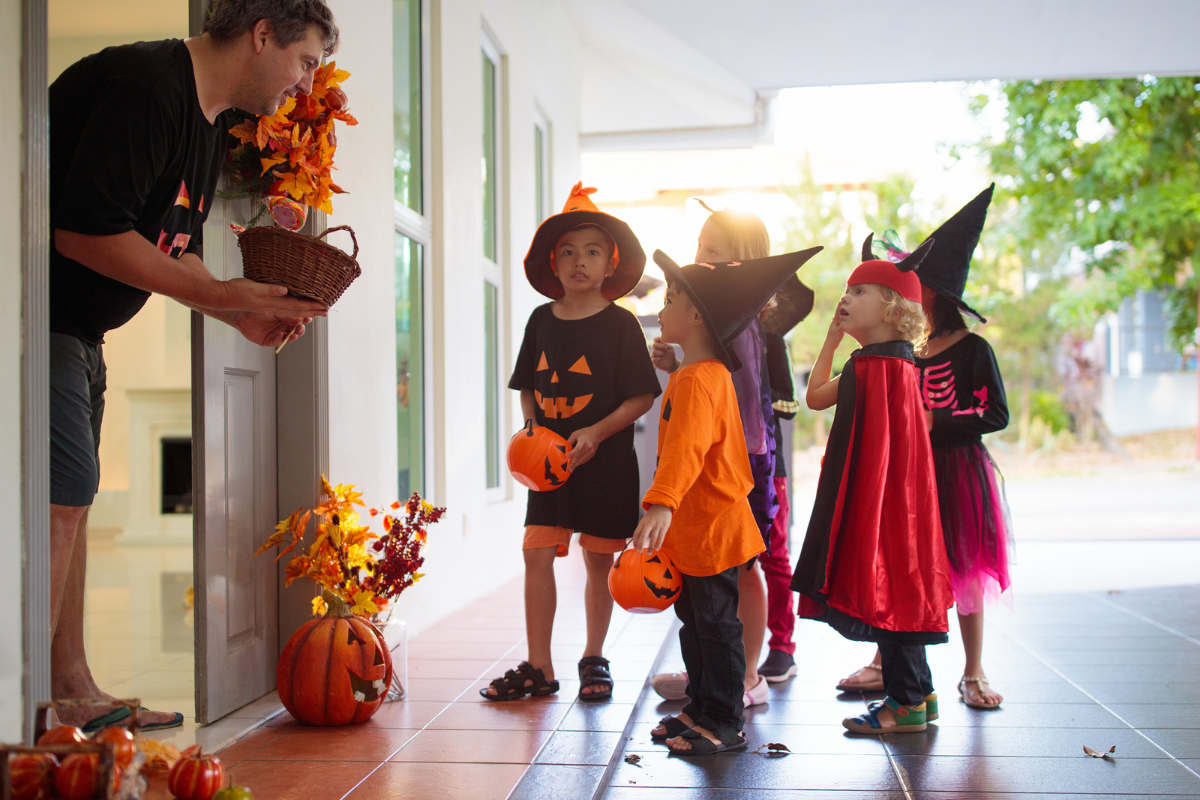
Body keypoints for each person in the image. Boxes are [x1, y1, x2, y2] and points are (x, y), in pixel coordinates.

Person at [48, 0, 338, 731]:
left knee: (69, 509)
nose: (304, 86)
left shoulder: (205, 126)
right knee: (60, 505)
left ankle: (71, 692)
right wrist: (218, 294)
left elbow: (168, 253)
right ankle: (25, 713)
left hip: (81, 332)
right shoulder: (148, 86)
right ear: (263, 32)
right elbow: (84, 233)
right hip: (36, 323)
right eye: (305, 62)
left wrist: (235, 311)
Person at [637, 246, 822, 755]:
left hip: (712, 527)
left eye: (671, 298)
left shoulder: (699, 380)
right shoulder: (698, 373)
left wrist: (661, 501)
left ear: (696, 316)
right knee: (695, 624)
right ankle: (699, 706)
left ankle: (724, 719)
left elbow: (688, 451)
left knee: (716, 628)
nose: (663, 306)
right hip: (698, 529)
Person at [835, 186, 1012, 710]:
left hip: (956, 471)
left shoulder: (973, 349)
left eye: (916, 285)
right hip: (907, 472)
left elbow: (995, 414)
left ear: (932, 293)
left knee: (963, 569)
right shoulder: (904, 351)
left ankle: (973, 670)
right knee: (898, 561)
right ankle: (886, 661)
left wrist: (941, 419)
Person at [483, 184, 660, 702]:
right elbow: (530, 390)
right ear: (552, 265)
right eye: (567, 252)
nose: (578, 261)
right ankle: (539, 665)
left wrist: (595, 432)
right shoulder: (541, 321)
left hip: (607, 466)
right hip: (547, 467)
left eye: (591, 252)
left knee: (598, 561)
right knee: (536, 554)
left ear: (610, 265)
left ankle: (594, 656)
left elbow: (641, 397)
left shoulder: (622, 324)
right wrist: (533, 430)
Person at [791, 238, 955, 734]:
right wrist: (833, 341)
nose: (846, 297)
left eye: (860, 290)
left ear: (889, 308)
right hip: (904, 504)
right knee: (902, 585)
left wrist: (834, 347)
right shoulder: (897, 364)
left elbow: (813, 398)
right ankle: (918, 695)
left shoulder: (872, 367)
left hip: (881, 502)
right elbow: (819, 400)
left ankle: (904, 705)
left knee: (888, 588)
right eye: (847, 289)